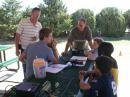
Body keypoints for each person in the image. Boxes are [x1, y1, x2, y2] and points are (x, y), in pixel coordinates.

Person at [15, 7, 42, 77]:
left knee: (36, 68)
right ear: (31, 14)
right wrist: (17, 49)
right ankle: (26, 84)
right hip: (25, 50)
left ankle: (34, 84)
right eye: (35, 14)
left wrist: (37, 37)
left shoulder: (39, 24)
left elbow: (40, 37)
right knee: (26, 68)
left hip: (36, 50)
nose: (37, 16)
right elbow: (17, 36)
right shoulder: (23, 21)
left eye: (38, 15)